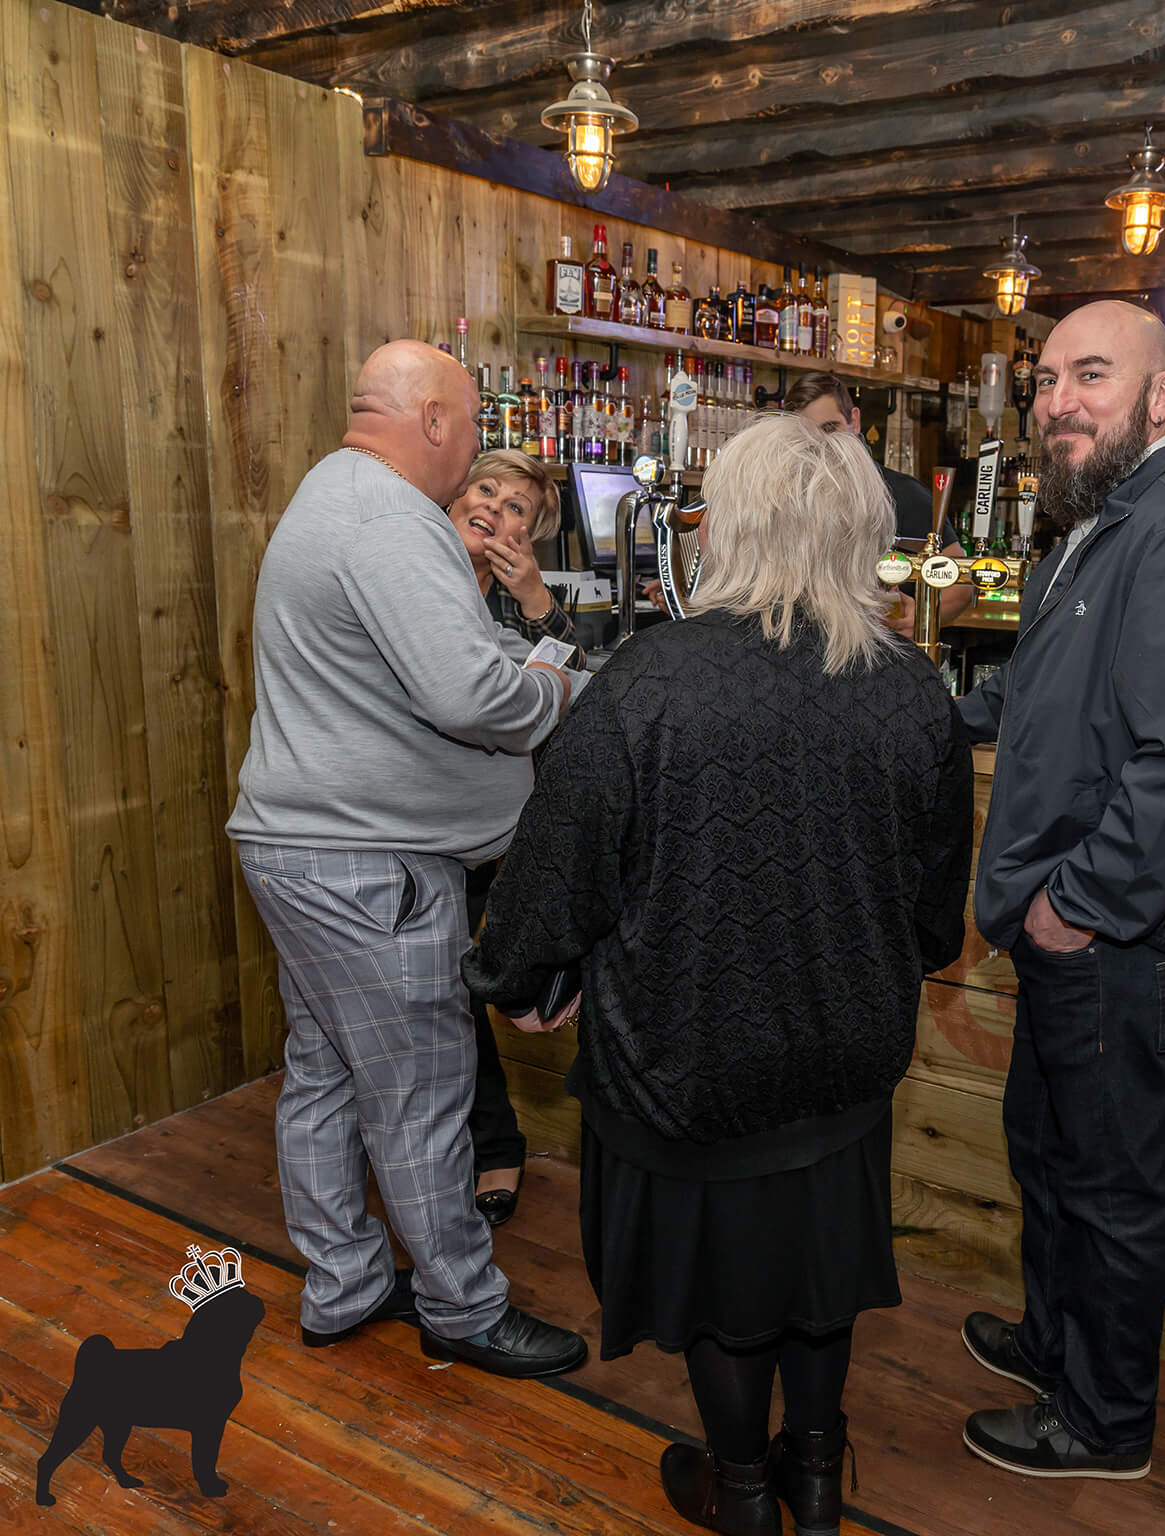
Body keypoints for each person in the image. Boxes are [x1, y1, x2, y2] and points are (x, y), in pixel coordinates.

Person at [465, 411, 973, 1536]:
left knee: (722, 1287)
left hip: (685, 1059)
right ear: (861, 531)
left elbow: (554, 875)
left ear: (726, 528)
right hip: (843, 1059)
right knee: (818, 1273)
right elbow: (937, 925)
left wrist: (522, 977)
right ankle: (817, 1481)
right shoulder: (909, 687)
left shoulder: (649, 680)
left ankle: (742, 1491)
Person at [226, 340, 587, 1380]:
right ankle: (462, 1307)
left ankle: (342, 1283)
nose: (474, 448)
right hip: (365, 870)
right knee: (422, 1092)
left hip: (305, 853)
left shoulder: (335, 493)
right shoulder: (390, 520)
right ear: (432, 420)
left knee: (326, 1077)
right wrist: (554, 689)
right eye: (471, 426)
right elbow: (472, 696)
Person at [953, 302, 1165, 1479]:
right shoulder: (1094, 529)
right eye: (1045, 381)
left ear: (1160, 396)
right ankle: (1056, 1347)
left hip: (1120, 933)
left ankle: (1105, 1421)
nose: (1059, 402)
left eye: (1091, 376)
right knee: (1045, 1149)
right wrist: (909, 709)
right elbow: (1031, 699)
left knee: (1108, 1183)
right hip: (1072, 921)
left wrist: (1075, 904)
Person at [445, 448, 575, 1227]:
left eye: (517, 505)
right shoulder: (415, 584)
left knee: (465, 989)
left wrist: (533, 596)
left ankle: (492, 1142)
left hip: (500, 832)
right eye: (485, 489)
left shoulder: (514, 610)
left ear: (530, 535)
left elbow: (578, 683)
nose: (495, 506)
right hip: (419, 825)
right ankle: (487, 1141)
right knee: (447, 995)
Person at [784, 371, 974, 634]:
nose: (822, 444)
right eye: (807, 435)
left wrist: (921, 619)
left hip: (883, 651)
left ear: (854, 421)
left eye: (830, 428)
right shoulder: (789, 500)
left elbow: (961, 585)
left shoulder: (903, 493)